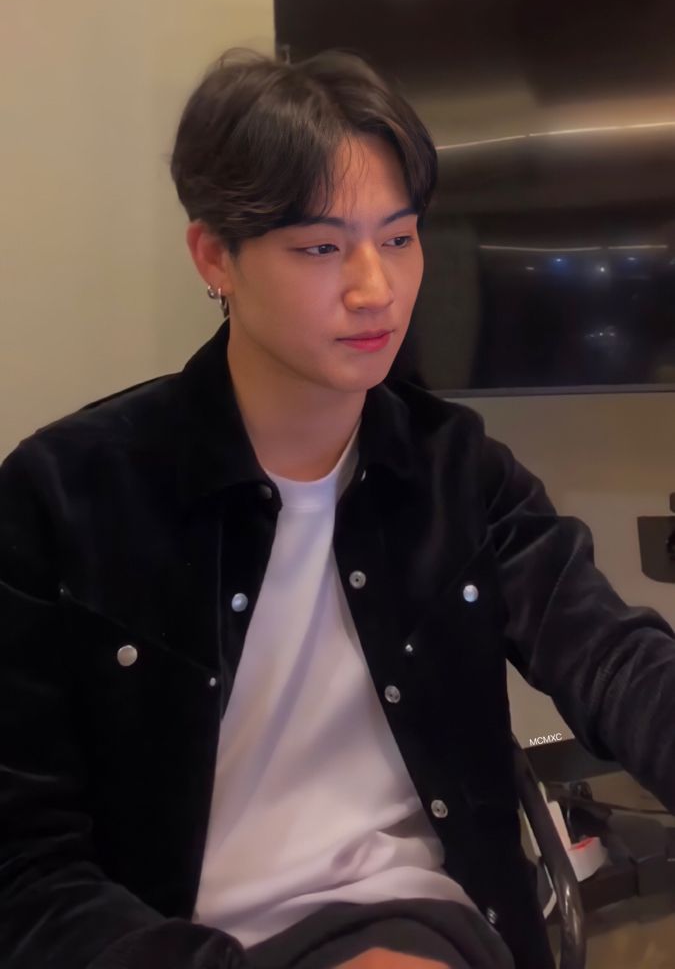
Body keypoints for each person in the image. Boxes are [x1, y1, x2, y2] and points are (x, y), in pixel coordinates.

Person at [1, 51, 674, 969]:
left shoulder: (458, 473)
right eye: (321, 248)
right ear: (214, 256)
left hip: (422, 926)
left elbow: (612, 657)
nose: (376, 288)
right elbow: (24, 869)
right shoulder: (64, 497)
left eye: (398, 239)